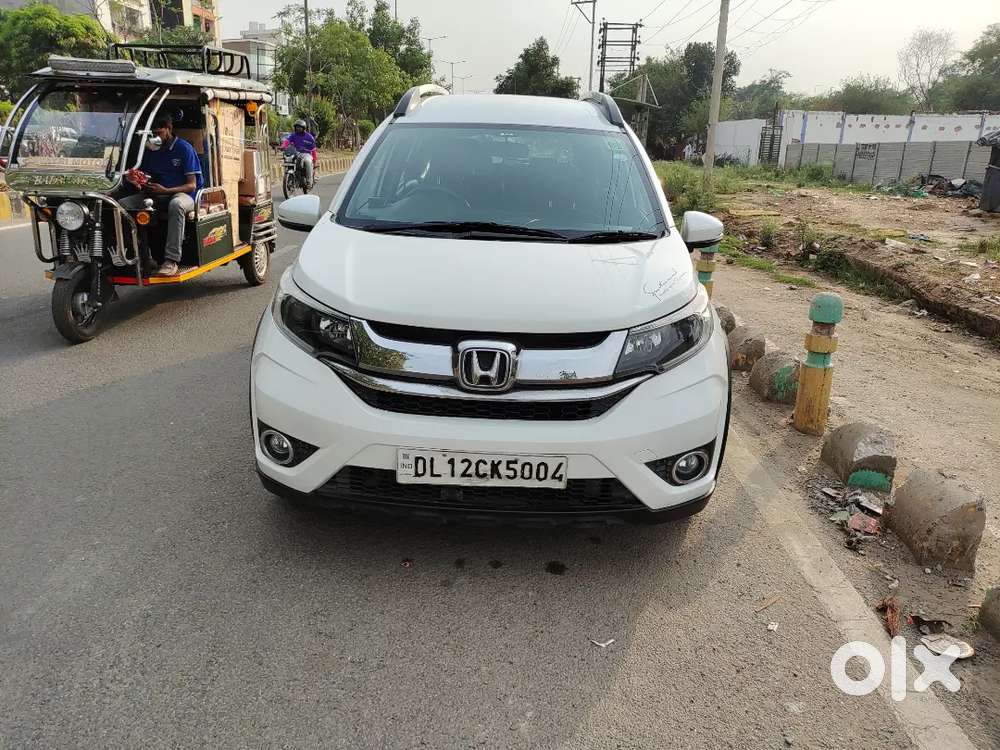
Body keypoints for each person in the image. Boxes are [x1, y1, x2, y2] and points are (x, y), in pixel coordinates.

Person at [120, 112, 203, 276]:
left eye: (158, 133)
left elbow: (191, 185)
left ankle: (171, 261)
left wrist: (166, 191)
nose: (155, 137)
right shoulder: (152, 150)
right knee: (122, 206)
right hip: (157, 194)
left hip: (183, 195)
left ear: (168, 129)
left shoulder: (184, 149)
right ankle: (140, 255)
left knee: (176, 204)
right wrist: (137, 181)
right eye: (152, 134)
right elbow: (147, 176)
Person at [281, 119, 317, 188]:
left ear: (303, 128)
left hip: (307, 154)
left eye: (299, 127)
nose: (298, 129)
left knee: (307, 161)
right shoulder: (293, 135)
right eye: (297, 127)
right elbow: (287, 141)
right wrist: (283, 146)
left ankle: (309, 182)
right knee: (289, 160)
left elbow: (313, 150)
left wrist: (314, 159)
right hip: (296, 152)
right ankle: (292, 178)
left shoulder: (309, 137)